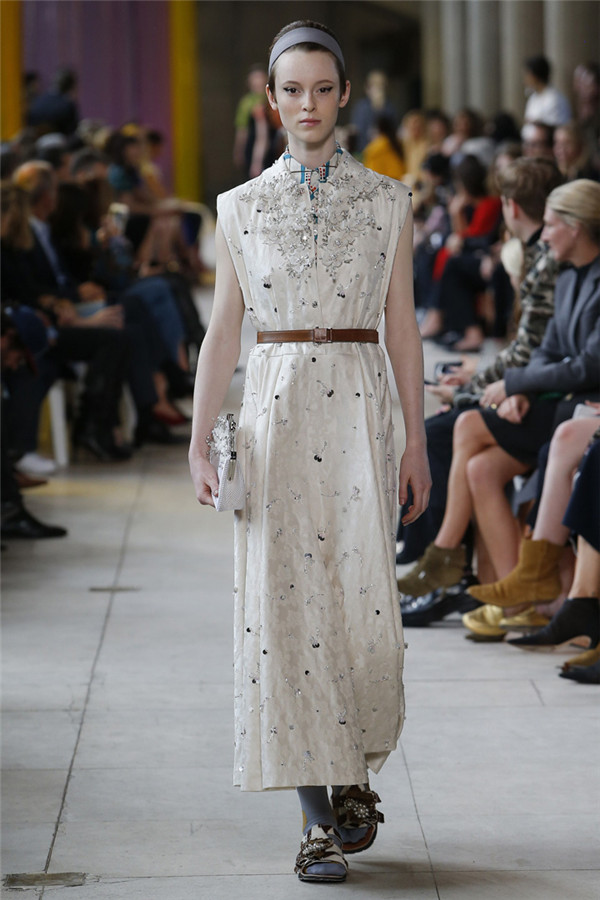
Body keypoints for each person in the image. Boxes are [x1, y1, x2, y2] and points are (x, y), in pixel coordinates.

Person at [188, 20, 430, 885]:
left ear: (345, 95)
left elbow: (403, 327)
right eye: (293, 89)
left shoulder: (389, 201)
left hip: (361, 409)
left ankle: (353, 767)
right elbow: (224, 331)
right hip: (277, 414)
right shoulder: (241, 206)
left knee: (363, 605)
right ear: (271, 98)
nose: (308, 104)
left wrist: (418, 441)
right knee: (286, 614)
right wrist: (199, 438)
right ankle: (315, 820)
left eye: (323, 89)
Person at [398, 179, 600, 622]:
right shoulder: (569, 275)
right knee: (481, 468)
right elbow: (547, 349)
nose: (544, 236)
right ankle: (516, 600)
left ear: (576, 227)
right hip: (557, 400)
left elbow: (589, 365)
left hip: (581, 405)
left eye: (551, 225)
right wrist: (520, 387)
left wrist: (515, 384)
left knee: (466, 424)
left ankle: (445, 553)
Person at [523, 55, 571, 127]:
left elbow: (557, 126)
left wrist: (538, 124)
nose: (525, 80)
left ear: (535, 76)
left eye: (527, 75)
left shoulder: (554, 98)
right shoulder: (533, 98)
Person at [362, 114, 406, 181]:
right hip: (398, 181)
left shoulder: (374, 147)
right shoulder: (397, 143)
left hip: (384, 182)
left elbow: (371, 173)